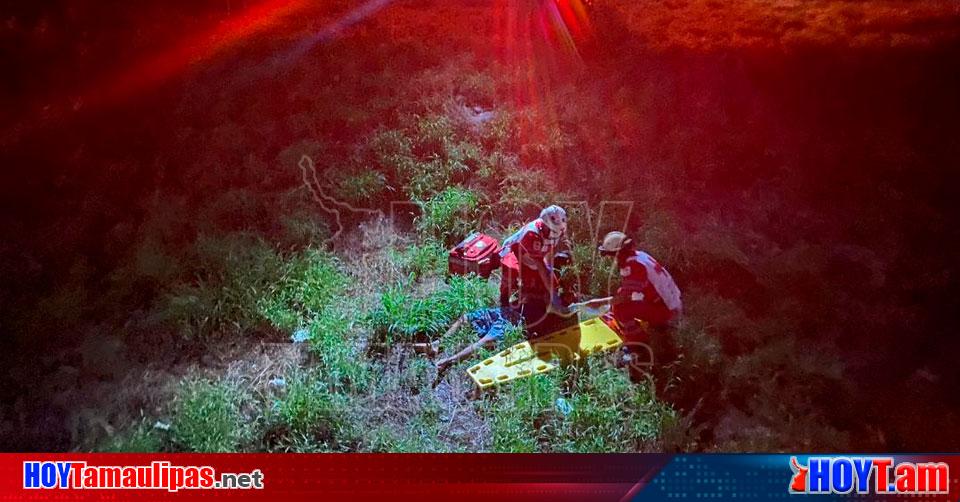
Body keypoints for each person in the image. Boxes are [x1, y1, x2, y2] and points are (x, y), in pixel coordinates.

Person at [497, 205, 570, 334]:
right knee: (512, 271)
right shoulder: (532, 234)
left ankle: (527, 294)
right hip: (513, 252)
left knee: (547, 283)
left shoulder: (559, 230)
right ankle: (504, 299)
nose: (555, 233)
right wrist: (552, 294)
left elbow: (547, 254)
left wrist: (550, 280)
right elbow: (540, 265)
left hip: (532, 257)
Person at [597, 230, 682, 338]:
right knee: (620, 295)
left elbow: (623, 298)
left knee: (620, 309)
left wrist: (597, 302)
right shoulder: (640, 256)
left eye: (611, 255)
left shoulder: (634, 266)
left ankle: (638, 341)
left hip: (667, 312)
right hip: (672, 303)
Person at [434, 306, 524, 374]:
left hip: (513, 319)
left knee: (486, 341)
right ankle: (439, 344)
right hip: (503, 312)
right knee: (465, 318)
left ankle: (449, 361)